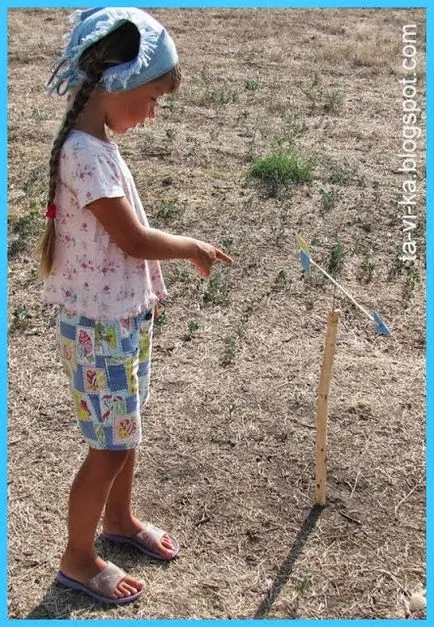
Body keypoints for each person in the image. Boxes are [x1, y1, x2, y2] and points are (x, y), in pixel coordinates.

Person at [38, 7, 234, 605]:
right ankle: (77, 557)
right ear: (114, 85)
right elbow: (131, 240)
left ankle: (118, 521)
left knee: (126, 428)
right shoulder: (84, 154)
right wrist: (190, 246)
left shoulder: (98, 141)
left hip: (120, 316)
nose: (153, 114)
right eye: (151, 99)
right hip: (99, 326)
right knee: (109, 442)